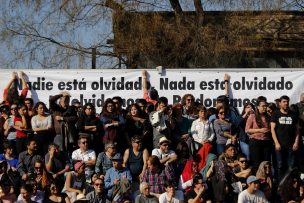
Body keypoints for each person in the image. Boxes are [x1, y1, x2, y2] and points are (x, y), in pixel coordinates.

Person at [271, 95, 299, 180]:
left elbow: (297, 130)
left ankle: (289, 184)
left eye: (287, 102)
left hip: (291, 145)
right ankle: (280, 185)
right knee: (280, 165)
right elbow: (272, 129)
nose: (286, 103)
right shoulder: (275, 114)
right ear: (280, 103)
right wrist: (276, 143)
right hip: (280, 145)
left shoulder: (293, 114)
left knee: (291, 166)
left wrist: (296, 142)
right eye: (284, 102)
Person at [245, 99, 271, 172]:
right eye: (263, 106)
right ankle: (256, 181)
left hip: (266, 141)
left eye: (266, 106)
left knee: (266, 163)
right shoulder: (252, 116)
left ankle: (266, 180)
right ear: (258, 107)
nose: (265, 108)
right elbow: (247, 129)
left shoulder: (268, 116)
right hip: (255, 141)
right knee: (256, 163)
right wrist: (260, 130)